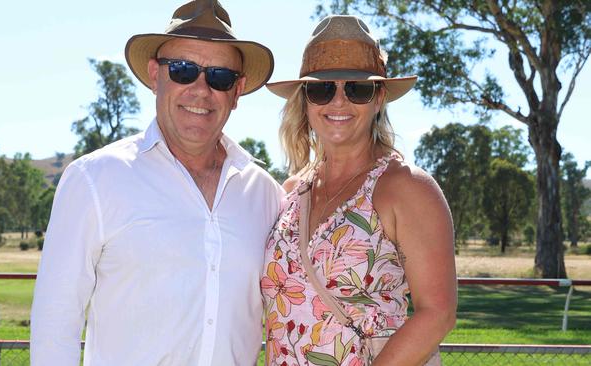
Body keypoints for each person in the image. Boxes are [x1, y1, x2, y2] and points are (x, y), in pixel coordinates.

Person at [30, 1, 283, 365]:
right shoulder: (95, 180)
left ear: (237, 90)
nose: (201, 89)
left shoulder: (265, 195)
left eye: (220, 77)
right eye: (182, 70)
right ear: (154, 75)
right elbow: (55, 323)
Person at [260, 15, 457, 365]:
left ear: (379, 98)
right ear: (304, 100)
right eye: (322, 89)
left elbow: (437, 313)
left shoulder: (405, 188)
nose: (338, 102)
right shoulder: (291, 193)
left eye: (357, 88)